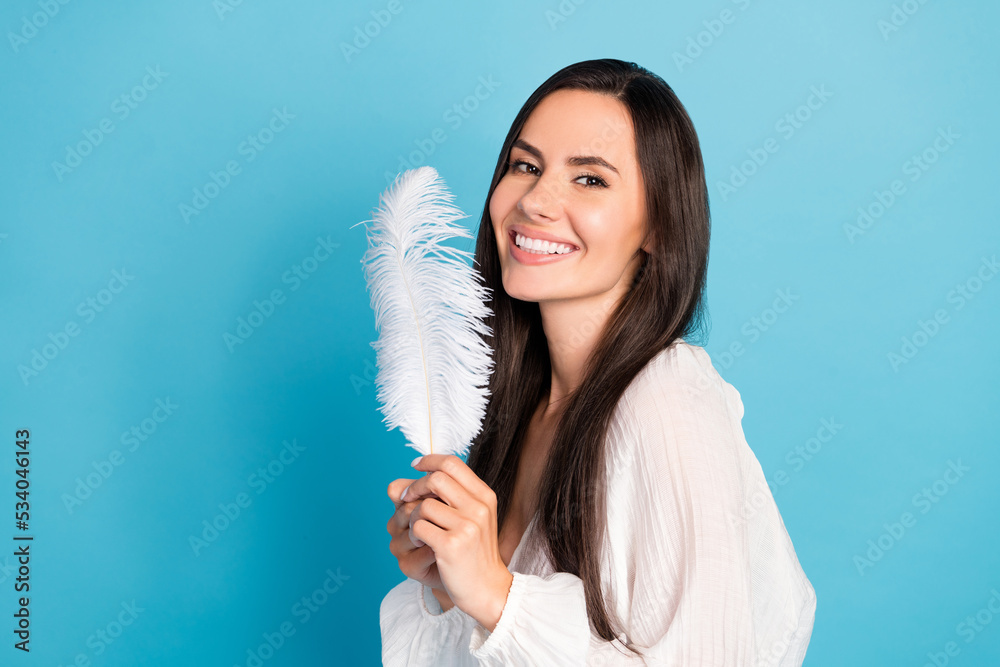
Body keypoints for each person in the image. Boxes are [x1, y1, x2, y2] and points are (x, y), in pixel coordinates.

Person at [380, 58, 816, 666]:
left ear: (658, 226)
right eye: (525, 166)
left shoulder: (667, 399)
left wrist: (499, 597)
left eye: (589, 180)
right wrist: (451, 585)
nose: (535, 200)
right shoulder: (519, 408)